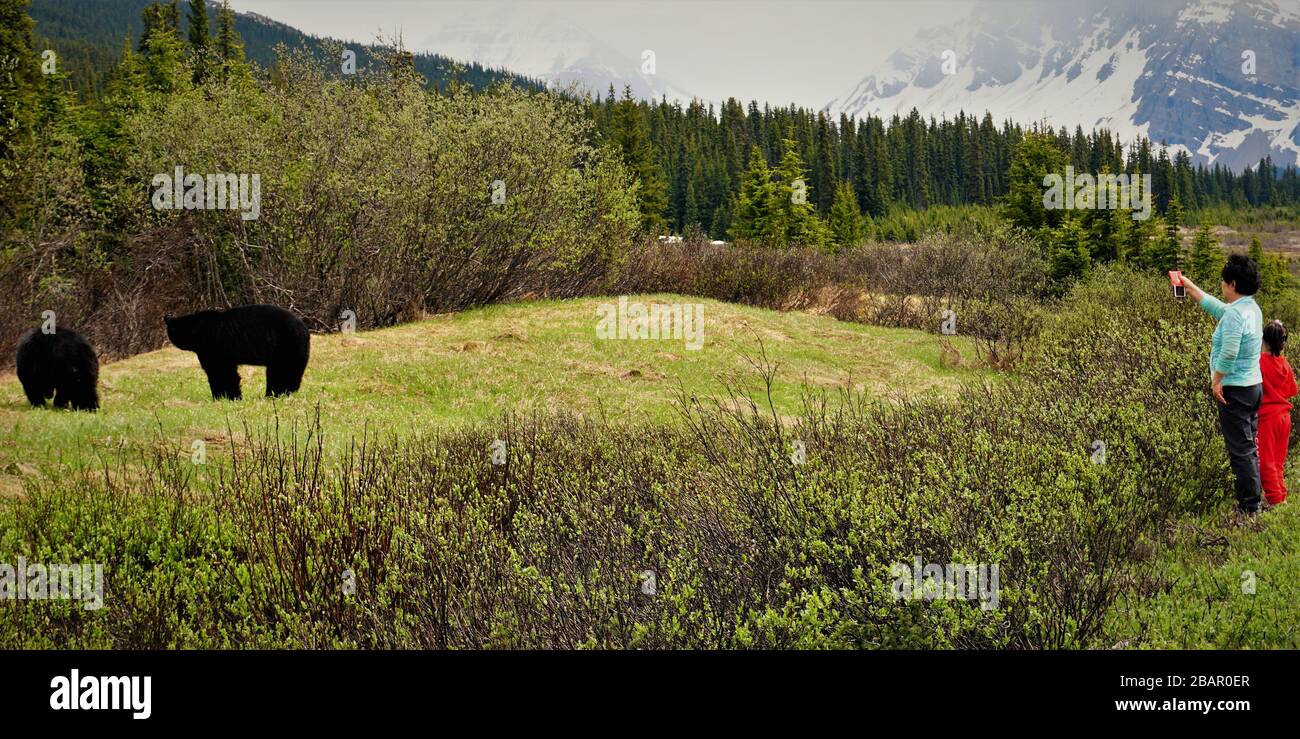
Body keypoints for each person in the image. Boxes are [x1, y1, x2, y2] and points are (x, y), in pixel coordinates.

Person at [1178, 254, 1265, 515]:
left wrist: (1217, 381)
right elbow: (1217, 307)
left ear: (1234, 284)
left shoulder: (1235, 316)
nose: (1221, 285)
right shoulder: (1250, 308)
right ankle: (1253, 501)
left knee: (1241, 450)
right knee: (1248, 446)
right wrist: (1189, 286)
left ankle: (1250, 507)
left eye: (1224, 281)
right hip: (1253, 386)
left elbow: (1228, 352)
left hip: (1235, 389)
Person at [1258, 320, 1296, 506]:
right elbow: (1292, 390)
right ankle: (1281, 497)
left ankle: (1276, 501)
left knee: (1266, 463)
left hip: (1267, 419)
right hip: (1284, 417)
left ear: (1264, 339)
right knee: (1278, 461)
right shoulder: (1284, 363)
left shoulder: (1259, 362)